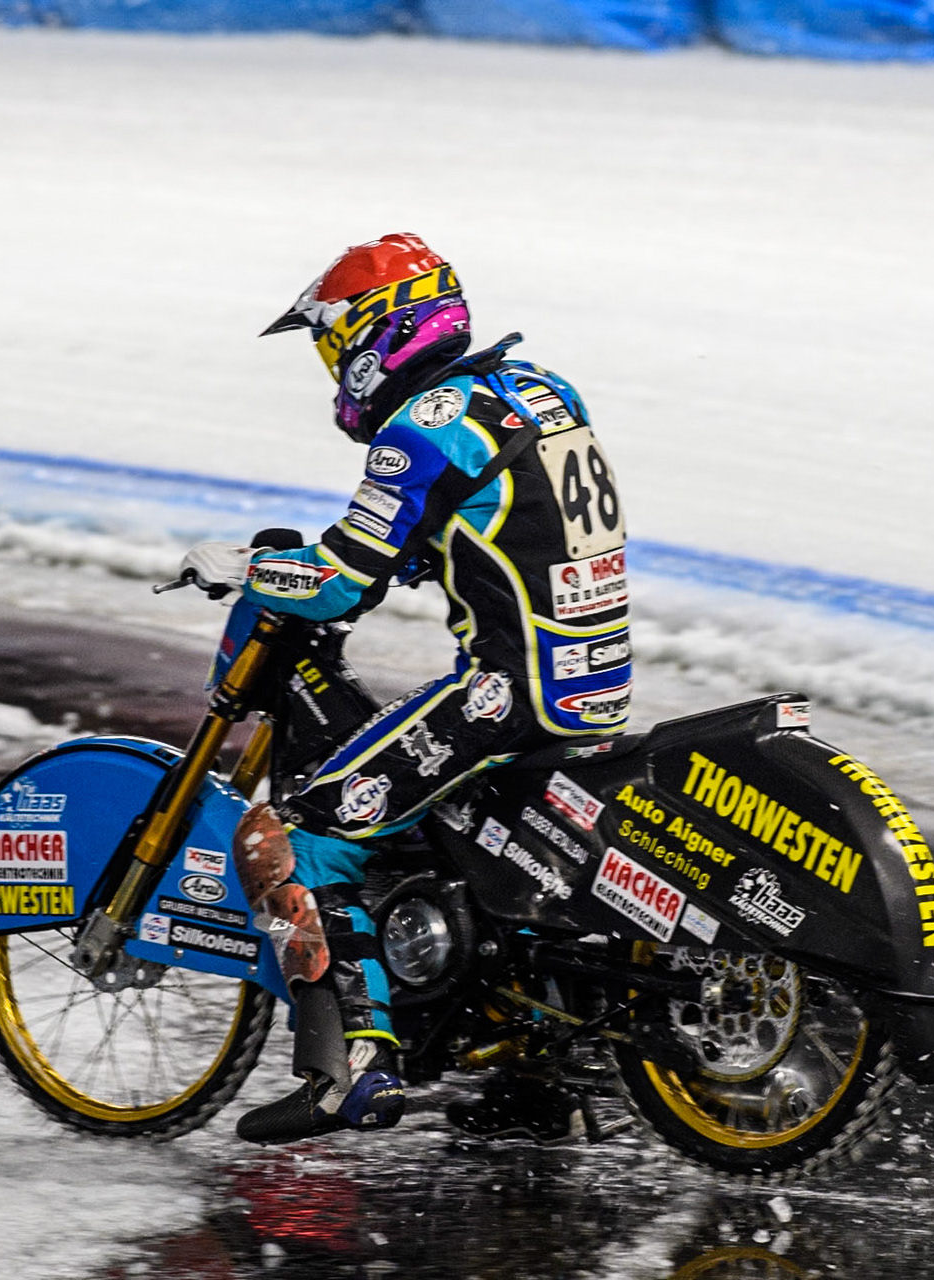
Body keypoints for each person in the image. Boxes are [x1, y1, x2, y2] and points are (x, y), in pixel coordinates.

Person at [177, 233, 631, 1144]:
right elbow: (508, 523)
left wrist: (249, 569)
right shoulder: (539, 391)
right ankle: (519, 1067)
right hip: (595, 683)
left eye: (334, 342)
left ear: (383, 329)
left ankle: (357, 1068)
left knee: (289, 836)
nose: (334, 365)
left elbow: (342, 577)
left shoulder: (420, 428)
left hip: (507, 693)